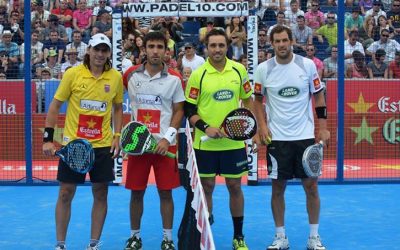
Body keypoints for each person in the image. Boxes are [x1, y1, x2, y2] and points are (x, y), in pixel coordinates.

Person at [42, 33, 123, 250]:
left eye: (104, 50)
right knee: (66, 192)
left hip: (103, 146)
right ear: (89, 50)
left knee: (101, 192)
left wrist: (117, 136)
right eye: (96, 49)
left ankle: (93, 245)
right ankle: (60, 245)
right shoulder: (73, 74)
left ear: (109, 54)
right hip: (74, 147)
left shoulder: (115, 77)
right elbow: (54, 106)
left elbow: (117, 107)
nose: (100, 54)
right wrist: (48, 139)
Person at [253, 26, 330, 250]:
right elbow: (257, 101)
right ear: (272, 43)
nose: (282, 44)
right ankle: (280, 237)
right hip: (277, 139)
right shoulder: (263, 69)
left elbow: (318, 96)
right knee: (277, 188)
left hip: (305, 137)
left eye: (285, 40)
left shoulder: (306, 65)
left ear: (292, 41)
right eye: (277, 41)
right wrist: (262, 127)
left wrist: (322, 127)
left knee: (312, 187)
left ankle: (314, 237)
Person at [184, 28, 254, 250]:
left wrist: (249, 126)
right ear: (206, 48)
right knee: (206, 187)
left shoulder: (239, 70)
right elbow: (189, 109)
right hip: (204, 144)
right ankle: (206, 234)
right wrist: (206, 128)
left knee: (235, 186)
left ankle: (239, 236)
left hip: (233, 143)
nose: (217, 49)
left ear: (227, 47)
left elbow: (248, 101)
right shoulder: (198, 74)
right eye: (213, 45)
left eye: (221, 45)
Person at [122, 31, 185, 250]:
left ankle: (168, 239)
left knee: (165, 192)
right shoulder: (130, 75)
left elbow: (179, 111)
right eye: (151, 47)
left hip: (164, 146)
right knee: (136, 192)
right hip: (137, 145)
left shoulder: (175, 78)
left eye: (160, 47)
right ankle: (134, 237)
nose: (155, 51)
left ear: (166, 51)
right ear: (144, 49)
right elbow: (111, 99)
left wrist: (168, 139)